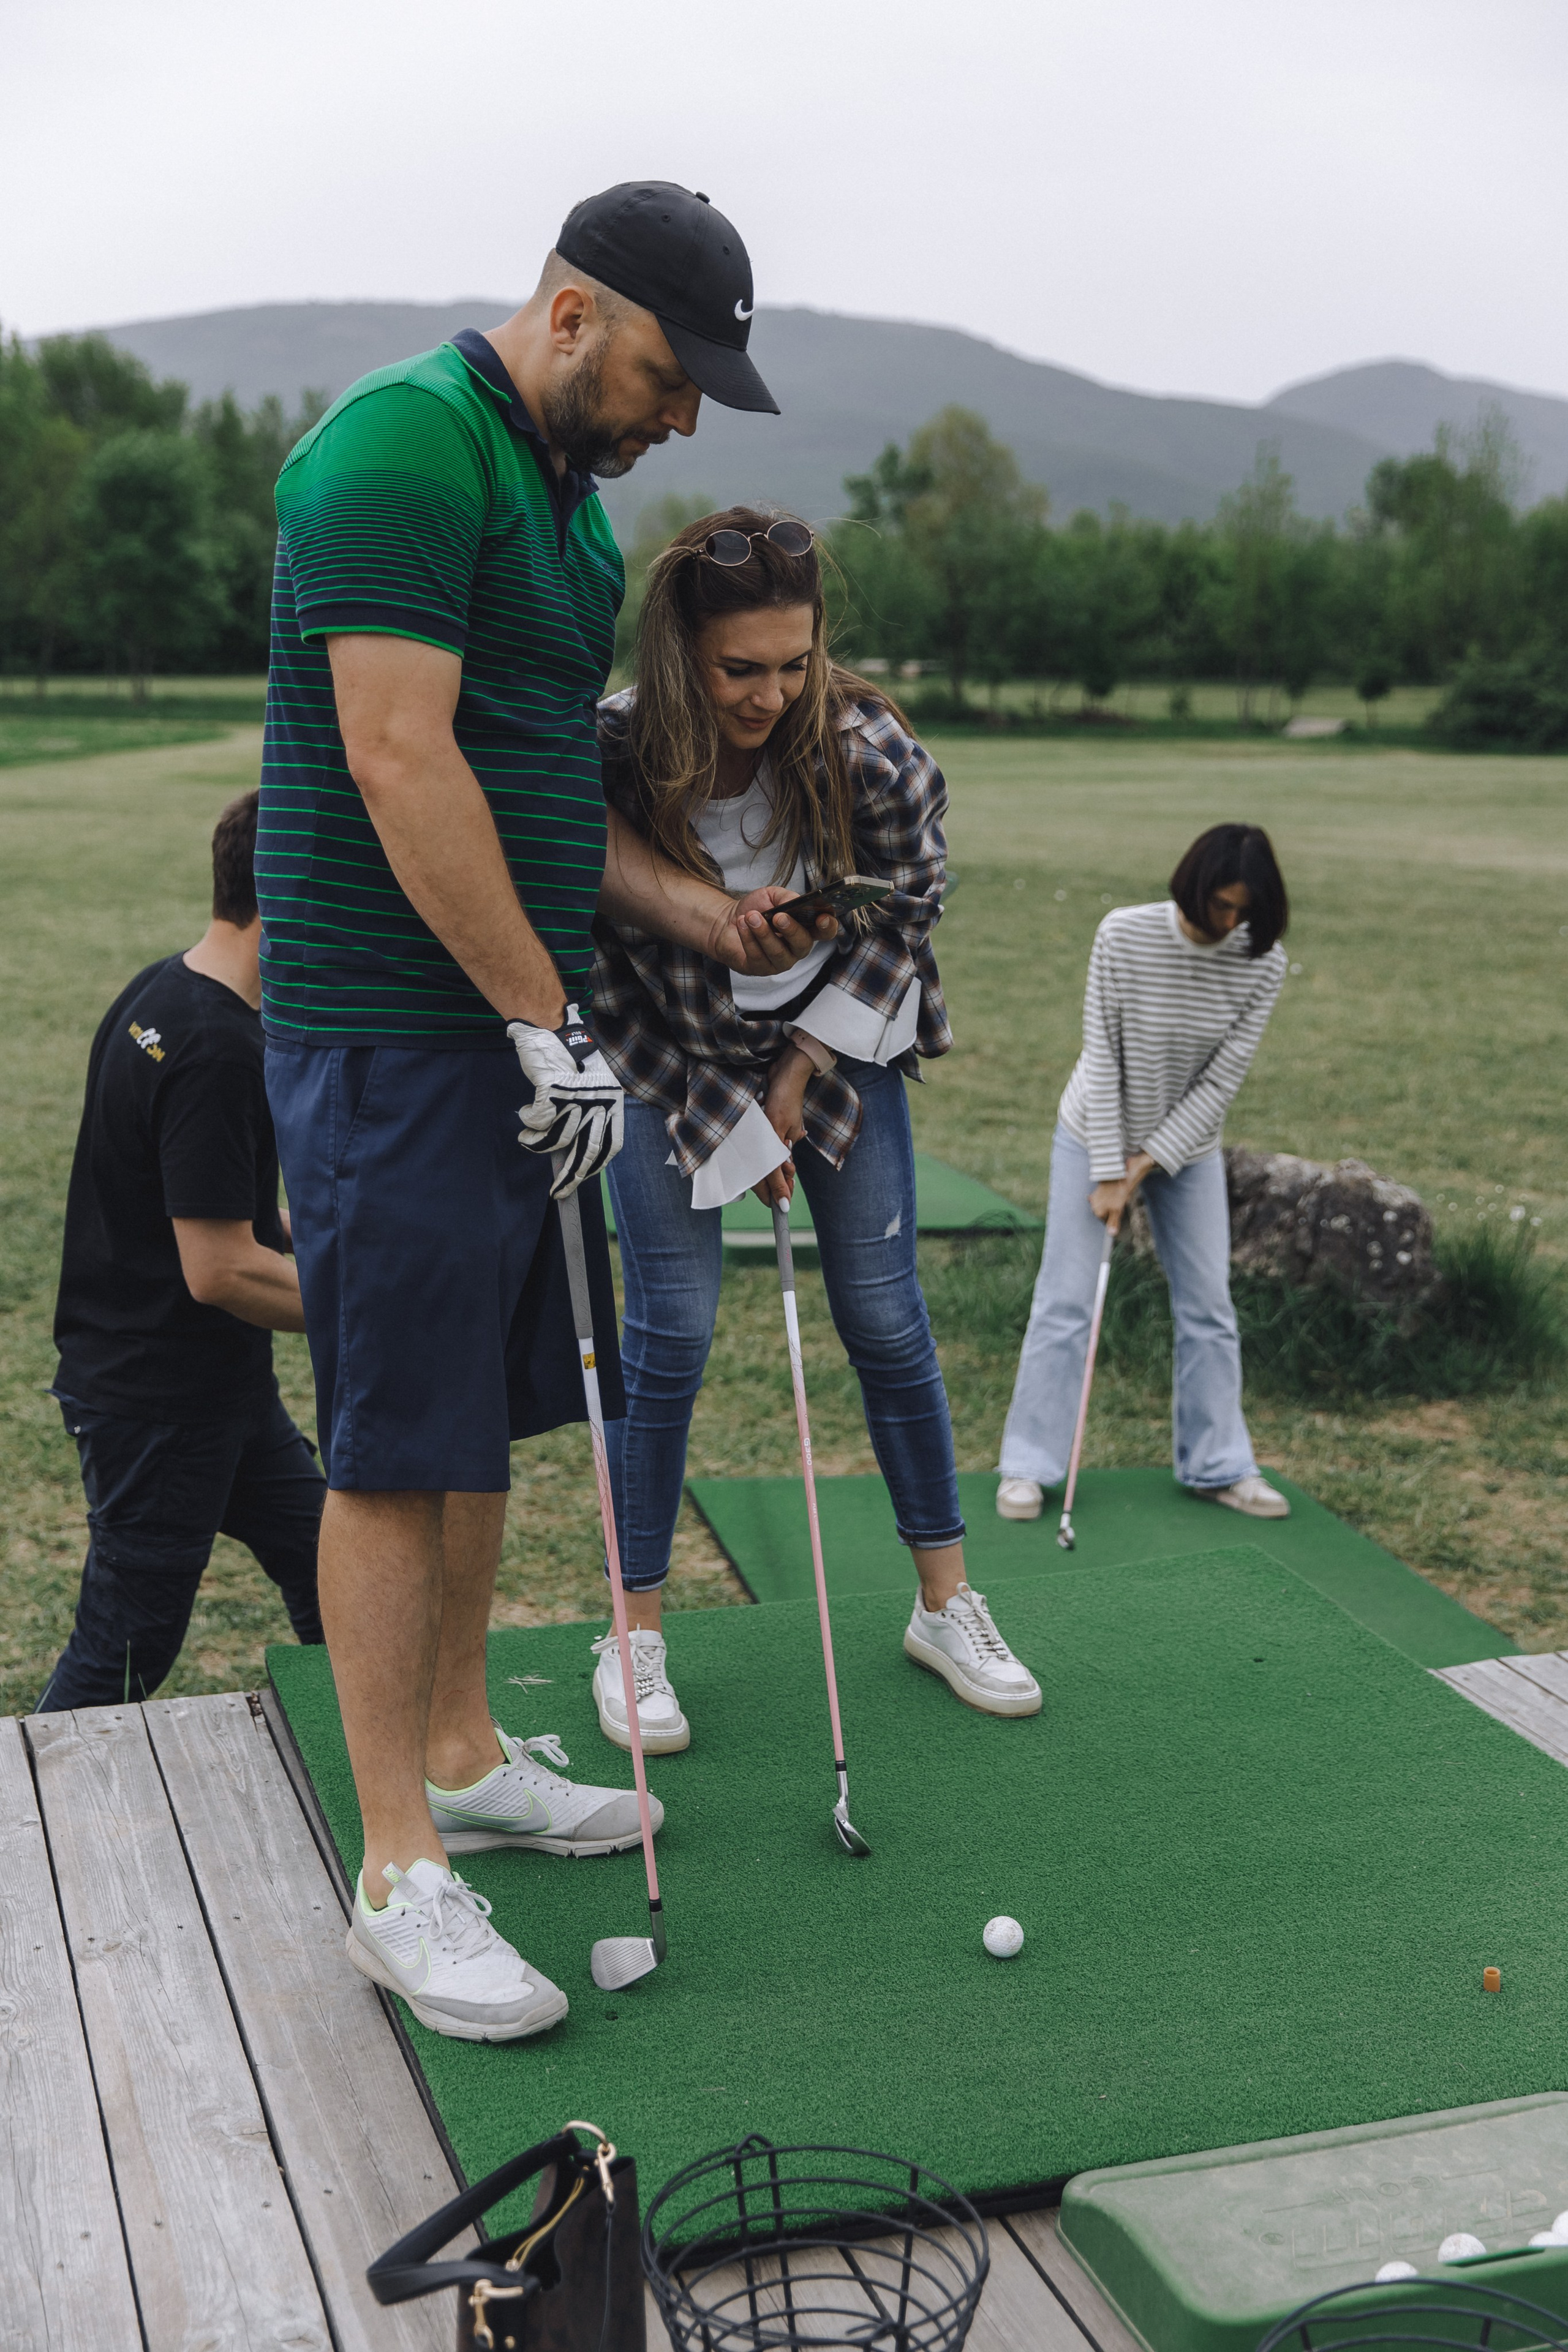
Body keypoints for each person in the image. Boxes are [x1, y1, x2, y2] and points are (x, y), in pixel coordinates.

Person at [258, 184, 830, 2044]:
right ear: (574, 314)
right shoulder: (403, 451)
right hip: (391, 1031)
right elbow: (393, 752)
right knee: (386, 1435)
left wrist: (690, 915)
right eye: (670, 377)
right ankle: (399, 1868)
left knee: (491, 1407)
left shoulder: (573, 520)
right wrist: (532, 1017)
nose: (681, 423)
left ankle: (465, 1746)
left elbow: (531, 796)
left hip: (509, 1026)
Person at [586, 507, 1044, 1755]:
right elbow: (583, 931)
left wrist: (797, 1067)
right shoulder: (615, 752)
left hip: (836, 1044)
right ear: (683, 651)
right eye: (742, 670)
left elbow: (908, 917)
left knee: (885, 1316)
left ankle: (944, 1605)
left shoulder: (864, 749)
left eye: (794, 664)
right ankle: (631, 1633)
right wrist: (727, 1110)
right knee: (667, 1334)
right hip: (661, 1049)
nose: (772, 695)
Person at [39, 790, 324, 1712]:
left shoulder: (164, 990)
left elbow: (220, 1217)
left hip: (216, 1392)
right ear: (285, 901)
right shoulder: (214, 1049)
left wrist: (323, 1240)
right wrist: (361, 1313)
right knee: (122, 1657)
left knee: (335, 1565)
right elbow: (219, 1270)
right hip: (159, 1403)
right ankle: (27, 1827)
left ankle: (377, 1748)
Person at [997, 822, 1292, 1523]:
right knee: (1065, 1303)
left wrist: (1145, 1167)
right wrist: (1108, 1169)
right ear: (1191, 887)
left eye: (1243, 910)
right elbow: (1101, 1056)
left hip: (1185, 1152)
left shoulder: (1261, 960)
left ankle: (1218, 1466)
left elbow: (1221, 1083)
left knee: (1209, 1308)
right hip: (1091, 1132)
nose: (1228, 923)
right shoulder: (1123, 934)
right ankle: (1029, 1467)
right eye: (1220, 905)